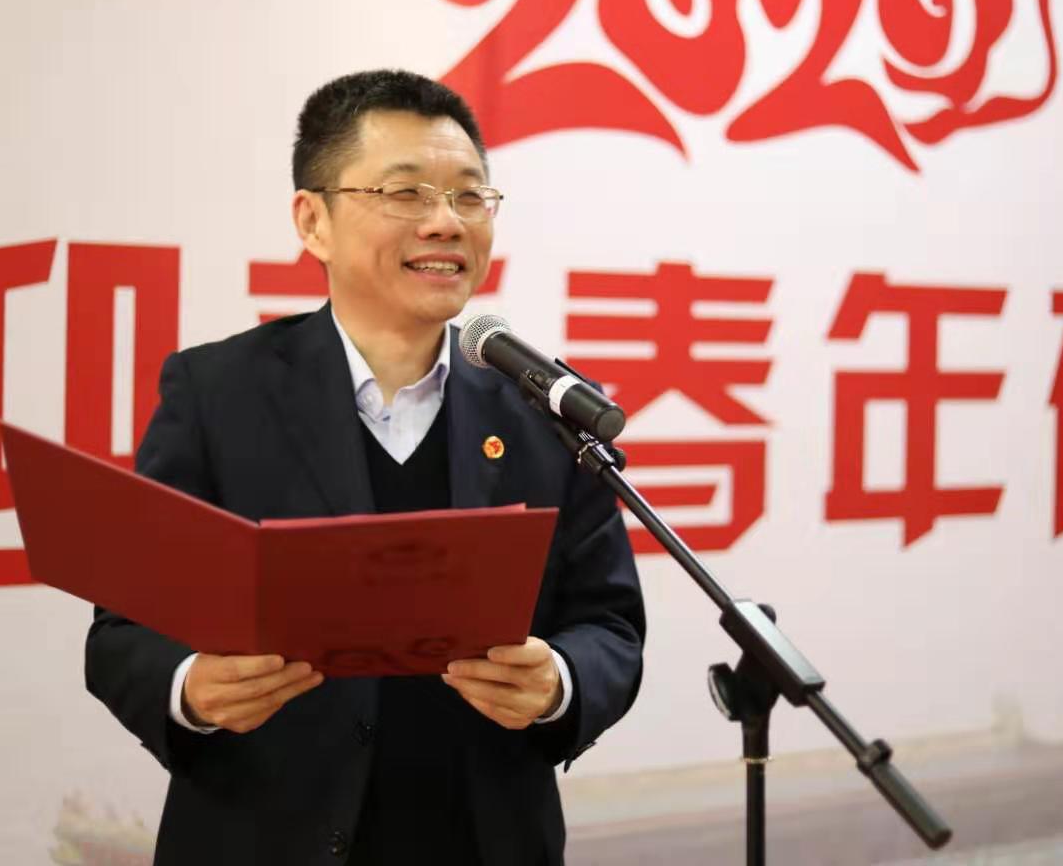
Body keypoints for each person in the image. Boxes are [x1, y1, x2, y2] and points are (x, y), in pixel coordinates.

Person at [84, 70, 646, 865]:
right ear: (313, 220)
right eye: (405, 193)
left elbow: (609, 625)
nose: (445, 222)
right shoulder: (217, 393)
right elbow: (123, 630)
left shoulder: (542, 411)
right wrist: (190, 688)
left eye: (470, 196)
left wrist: (559, 680)